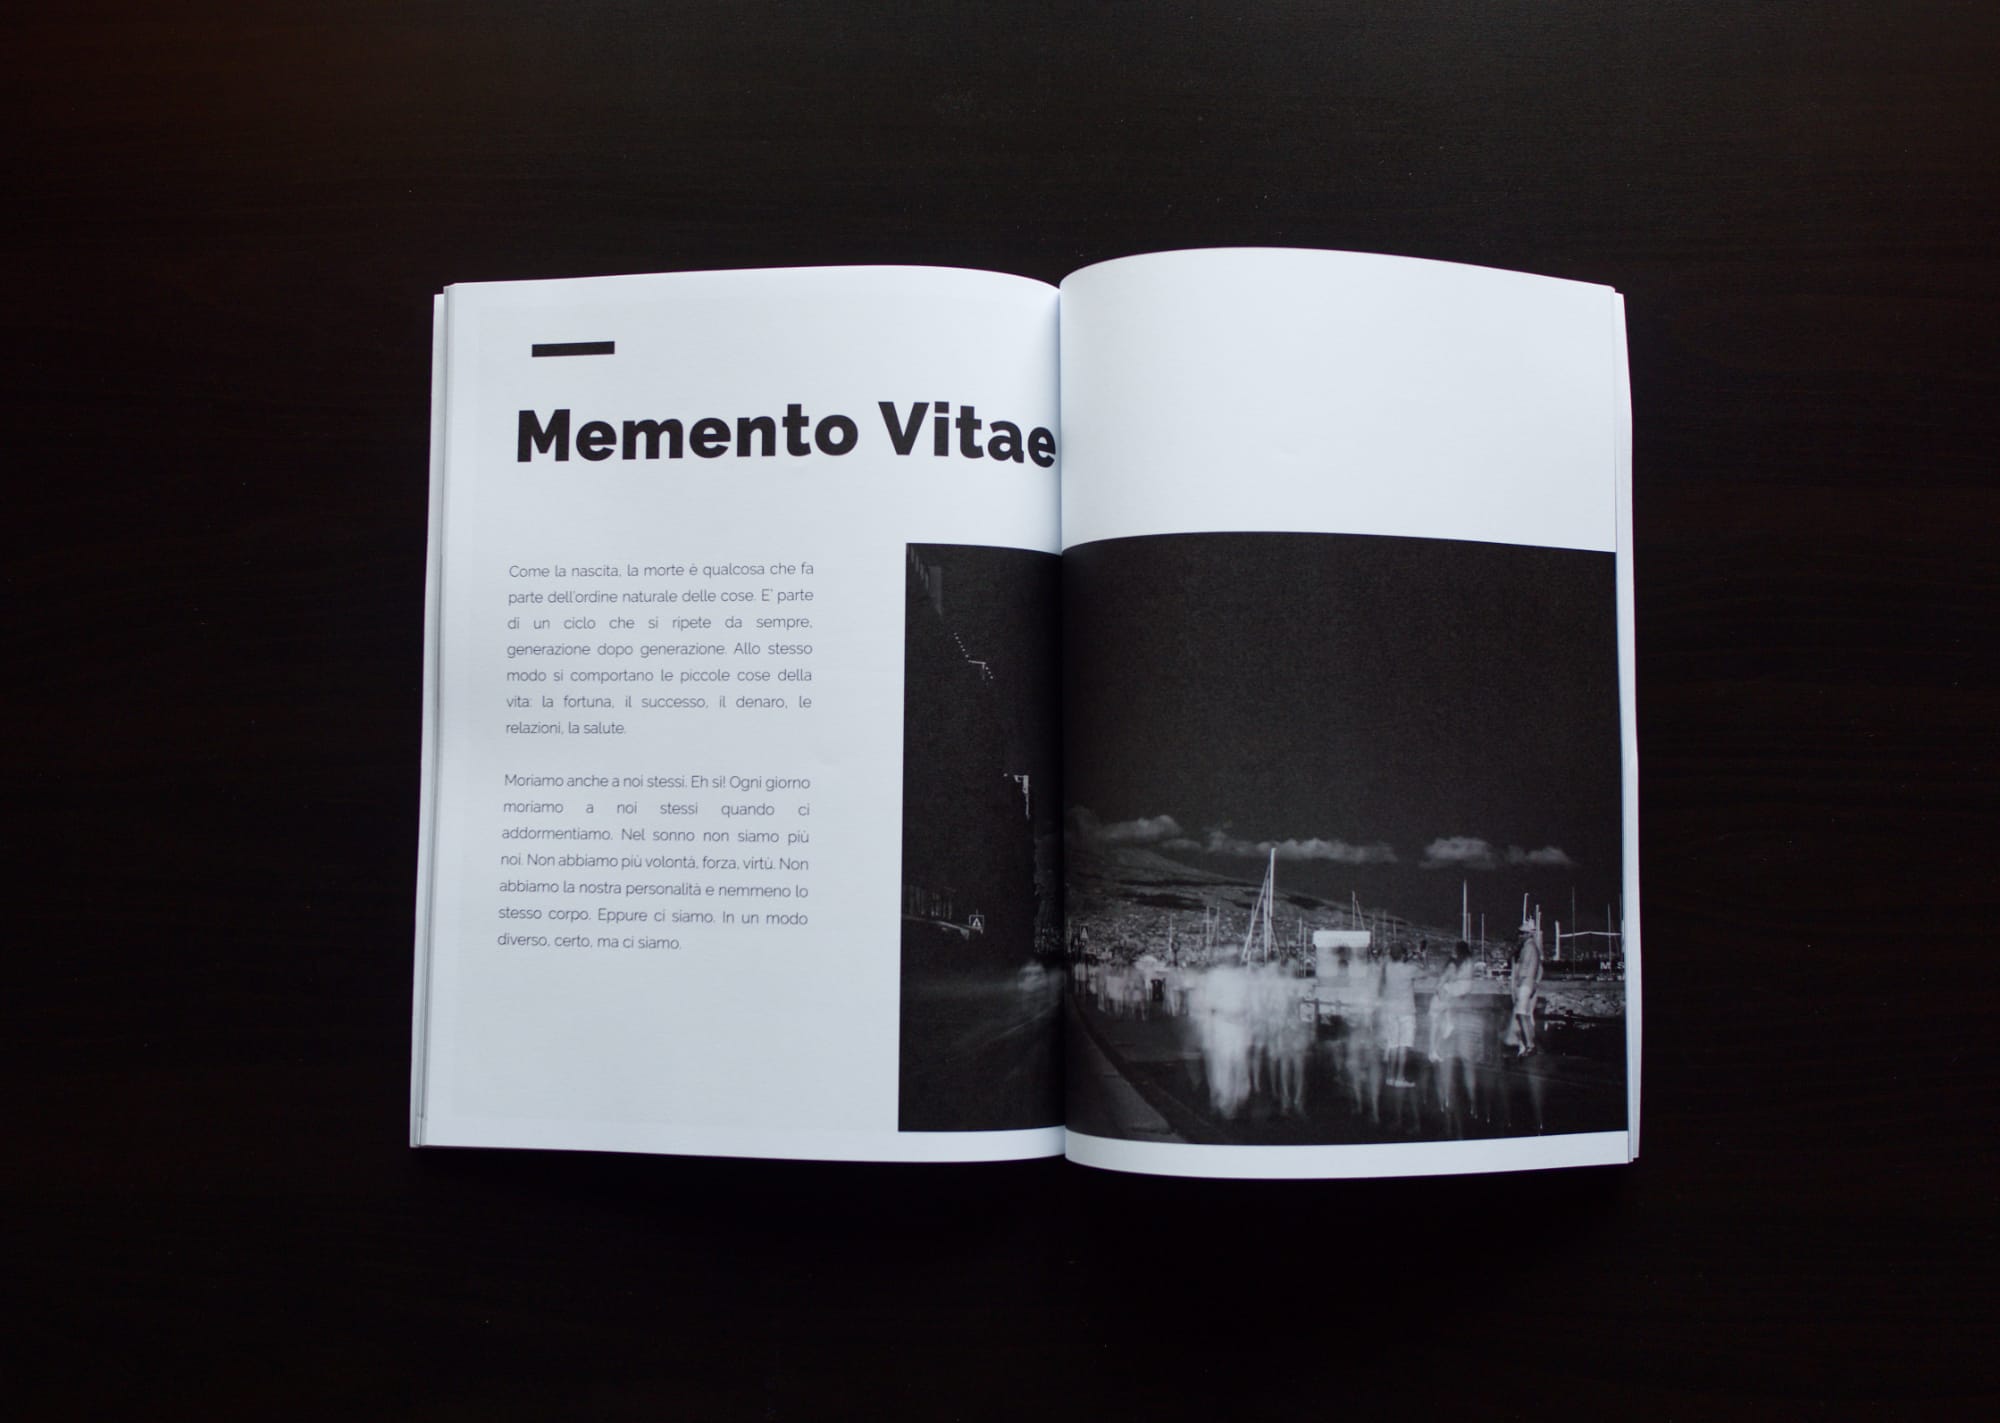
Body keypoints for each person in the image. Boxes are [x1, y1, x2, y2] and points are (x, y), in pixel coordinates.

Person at [1509, 922, 1543, 1057]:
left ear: (1529, 934)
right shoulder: (1533, 947)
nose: (1520, 935)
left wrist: (1519, 982)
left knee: (1521, 1014)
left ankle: (1530, 1045)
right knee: (1526, 1015)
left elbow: (1524, 968)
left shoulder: (1528, 947)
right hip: (1529, 983)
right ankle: (1530, 1043)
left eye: (1522, 933)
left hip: (1525, 983)